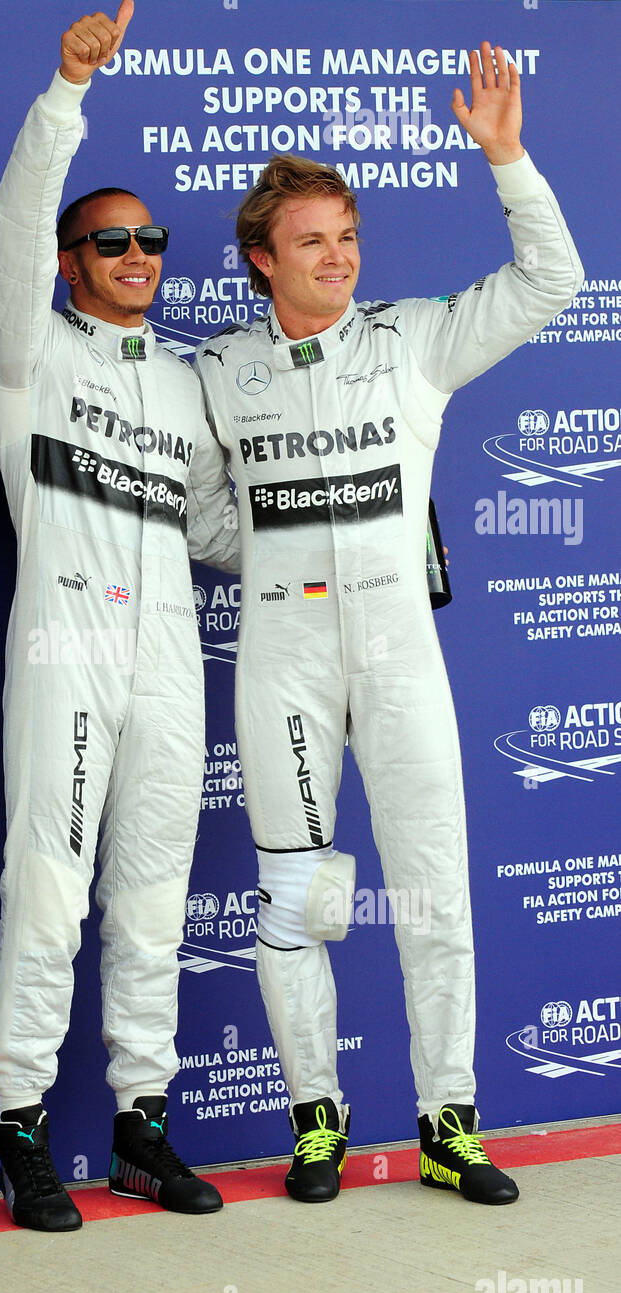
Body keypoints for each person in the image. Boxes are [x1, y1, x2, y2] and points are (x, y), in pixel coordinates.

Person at [195, 43, 582, 1205]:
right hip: (282, 661)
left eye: (348, 236)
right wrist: (281, 566)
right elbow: (209, 516)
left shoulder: (413, 339)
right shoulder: (216, 368)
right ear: (264, 260)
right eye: (313, 241)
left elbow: (551, 280)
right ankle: (317, 1117)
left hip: (401, 650)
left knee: (431, 887)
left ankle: (449, 1122)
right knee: (294, 897)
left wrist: (507, 159)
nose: (340, 257)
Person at [0, 2, 238, 1232]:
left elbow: (227, 534)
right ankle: (21, 1124)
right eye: (111, 240)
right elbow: (17, 241)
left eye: (151, 240)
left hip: (170, 657)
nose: (138, 253)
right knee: (49, 883)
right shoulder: (28, 356)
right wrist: (64, 95)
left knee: (152, 893)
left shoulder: (187, 384)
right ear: (77, 262)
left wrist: (374, 528)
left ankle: (143, 1124)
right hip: (67, 642)